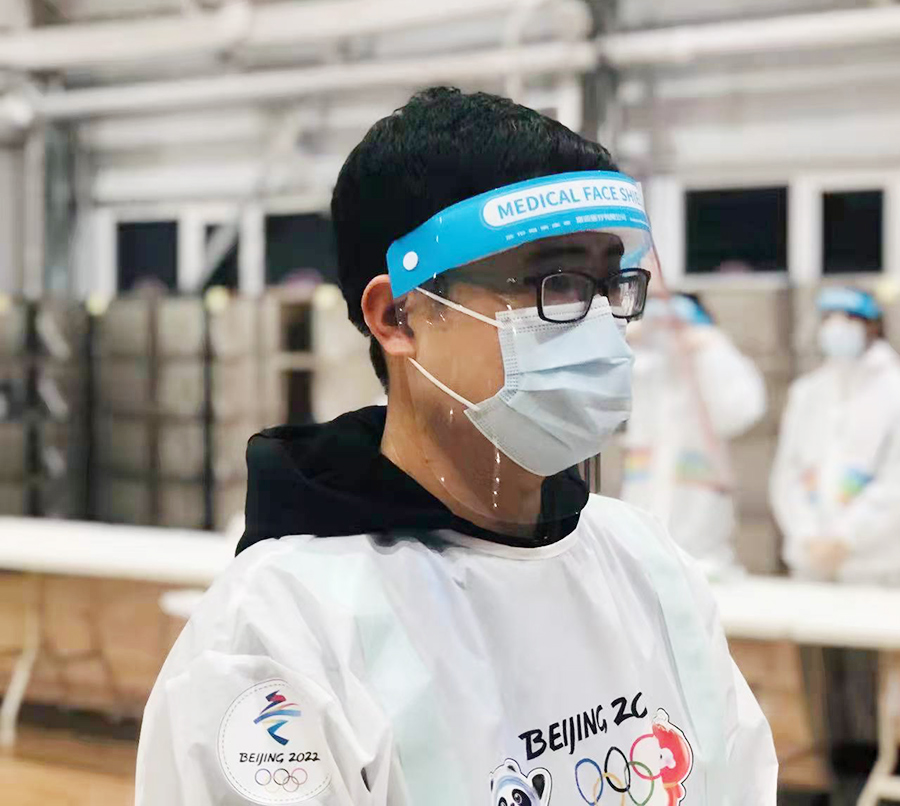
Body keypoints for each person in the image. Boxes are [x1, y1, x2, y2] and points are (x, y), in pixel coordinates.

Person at [135, 88, 776, 806]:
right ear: (397, 316)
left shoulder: (647, 567)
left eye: (610, 285)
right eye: (555, 282)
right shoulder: (283, 634)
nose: (598, 323)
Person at [769, 285, 900, 806]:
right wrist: (805, 534)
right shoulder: (808, 391)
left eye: (846, 318)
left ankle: (878, 777)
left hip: (869, 564)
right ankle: (834, 776)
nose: (834, 328)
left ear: (872, 325)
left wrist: (848, 537)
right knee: (820, 679)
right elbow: (787, 474)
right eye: (828, 317)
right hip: (811, 562)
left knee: (866, 679)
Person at [621, 292, 766, 577]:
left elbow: (740, 412)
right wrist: (625, 337)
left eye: (676, 325)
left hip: (703, 556)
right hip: (642, 556)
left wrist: (711, 350)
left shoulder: (716, 363)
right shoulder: (644, 371)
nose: (667, 335)